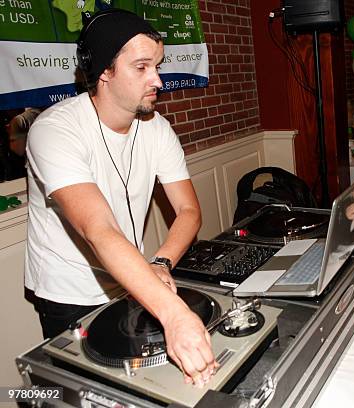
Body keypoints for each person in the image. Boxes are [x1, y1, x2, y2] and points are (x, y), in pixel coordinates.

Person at [25, 9, 218, 387]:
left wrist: (161, 263)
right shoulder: (54, 131)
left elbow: (188, 210)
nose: (158, 80)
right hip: (69, 292)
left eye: (158, 66)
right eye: (142, 67)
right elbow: (99, 228)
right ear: (104, 71)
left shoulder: (157, 129)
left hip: (133, 279)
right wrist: (174, 315)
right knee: (84, 390)